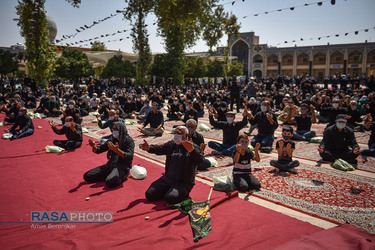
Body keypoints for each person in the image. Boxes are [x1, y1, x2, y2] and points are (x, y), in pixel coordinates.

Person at [139, 126, 204, 204]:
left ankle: (183, 193)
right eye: (175, 133)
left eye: (179, 133)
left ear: (186, 135)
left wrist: (191, 150)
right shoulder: (171, 144)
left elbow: (201, 160)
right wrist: (149, 148)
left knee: (170, 198)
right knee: (149, 195)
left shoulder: (193, 147)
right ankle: (168, 190)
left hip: (183, 182)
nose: (176, 135)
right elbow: (160, 148)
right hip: (167, 179)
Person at [84, 122, 134, 188]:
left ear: (121, 130)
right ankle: (110, 174)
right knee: (87, 176)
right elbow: (100, 149)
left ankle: (124, 175)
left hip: (122, 166)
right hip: (111, 164)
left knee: (110, 182)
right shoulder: (112, 139)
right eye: (113, 129)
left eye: (116, 129)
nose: (114, 131)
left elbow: (129, 156)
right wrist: (94, 146)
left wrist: (117, 151)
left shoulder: (129, 141)